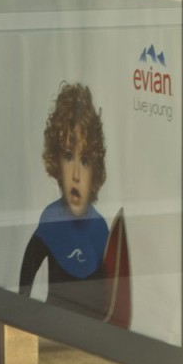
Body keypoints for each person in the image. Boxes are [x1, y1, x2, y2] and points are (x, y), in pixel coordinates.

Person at [19, 82, 111, 319]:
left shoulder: (99, 227)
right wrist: (22, 318)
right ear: (55, 162)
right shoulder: (52, 219)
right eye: (69, 156)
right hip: (55, 328)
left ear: (96, 171)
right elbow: (28, 273)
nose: (77, 175)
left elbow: (109, 297)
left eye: (86, 160)